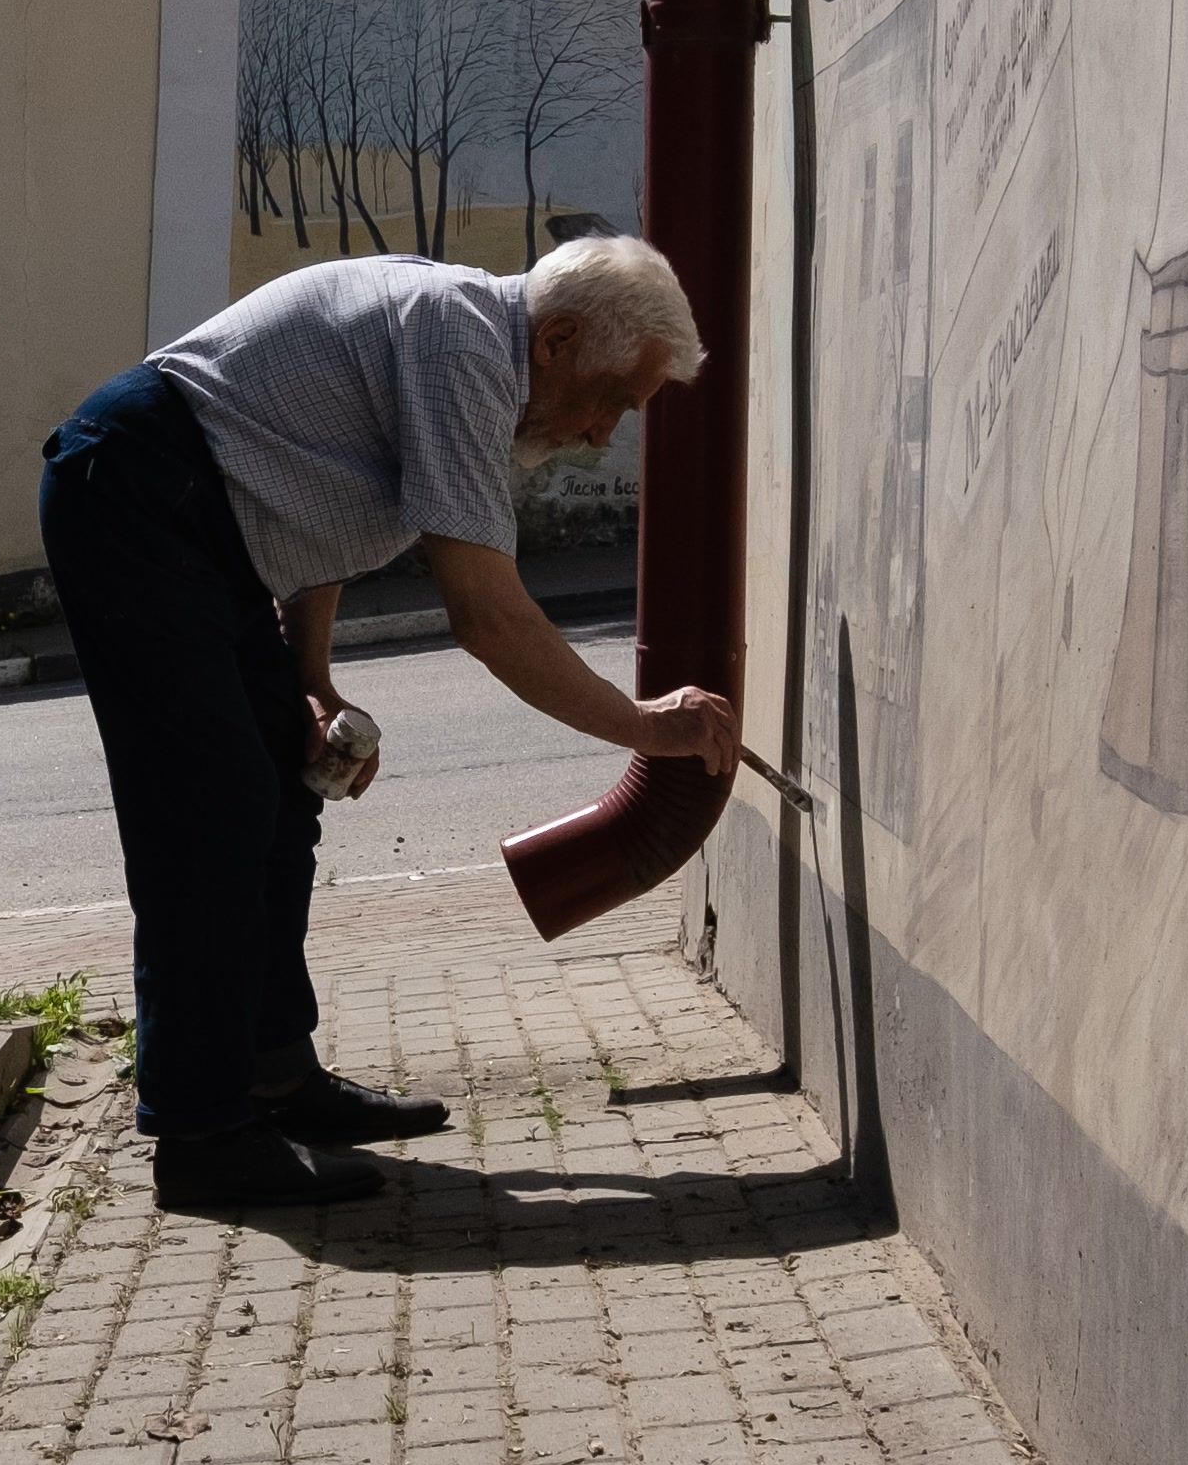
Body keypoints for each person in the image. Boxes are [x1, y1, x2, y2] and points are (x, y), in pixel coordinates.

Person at [40, 234, 736, 1213]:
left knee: (282, 791)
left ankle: (274, 1077)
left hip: (197, 515)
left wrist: (309, 677)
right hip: (136, 494)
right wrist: (642, 727)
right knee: (209, 813)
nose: (598, 436)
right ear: (560, 338)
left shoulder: (466, 342)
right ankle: (199, 1134)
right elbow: (487, 616)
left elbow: (316, 492)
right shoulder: (460, 351)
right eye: (613, 399)